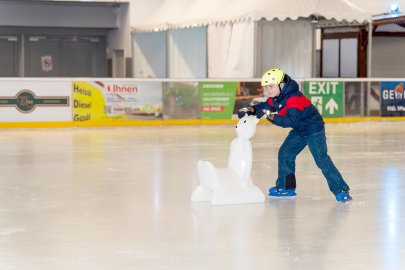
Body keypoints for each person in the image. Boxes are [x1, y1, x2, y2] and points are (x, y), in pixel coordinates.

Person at [238, 68, 352, 202]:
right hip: (299, 129)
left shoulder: (294, 98)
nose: (268, 90)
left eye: (271, 86)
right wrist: (249, 110)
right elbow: (264, 106)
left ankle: (341, 190)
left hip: (313, 129)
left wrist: (269, 115)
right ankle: (286, 188)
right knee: (285, 153)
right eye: (266, 87)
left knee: (321, 159)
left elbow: (289, 121)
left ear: (281, 84)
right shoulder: (277, 97)